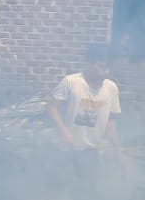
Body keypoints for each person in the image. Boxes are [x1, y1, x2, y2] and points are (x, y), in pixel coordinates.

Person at [47, 45, 121, 177]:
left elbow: (111, 117)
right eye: (102, 66)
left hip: (90, 149)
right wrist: (64, 130)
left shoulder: (111, 88)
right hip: (64, 147)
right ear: (89, 64)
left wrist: (115, 143)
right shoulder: (71, 82)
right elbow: (52, 108)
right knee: (54, 184)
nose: (106, 71)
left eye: (109, 67)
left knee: (86, 188)